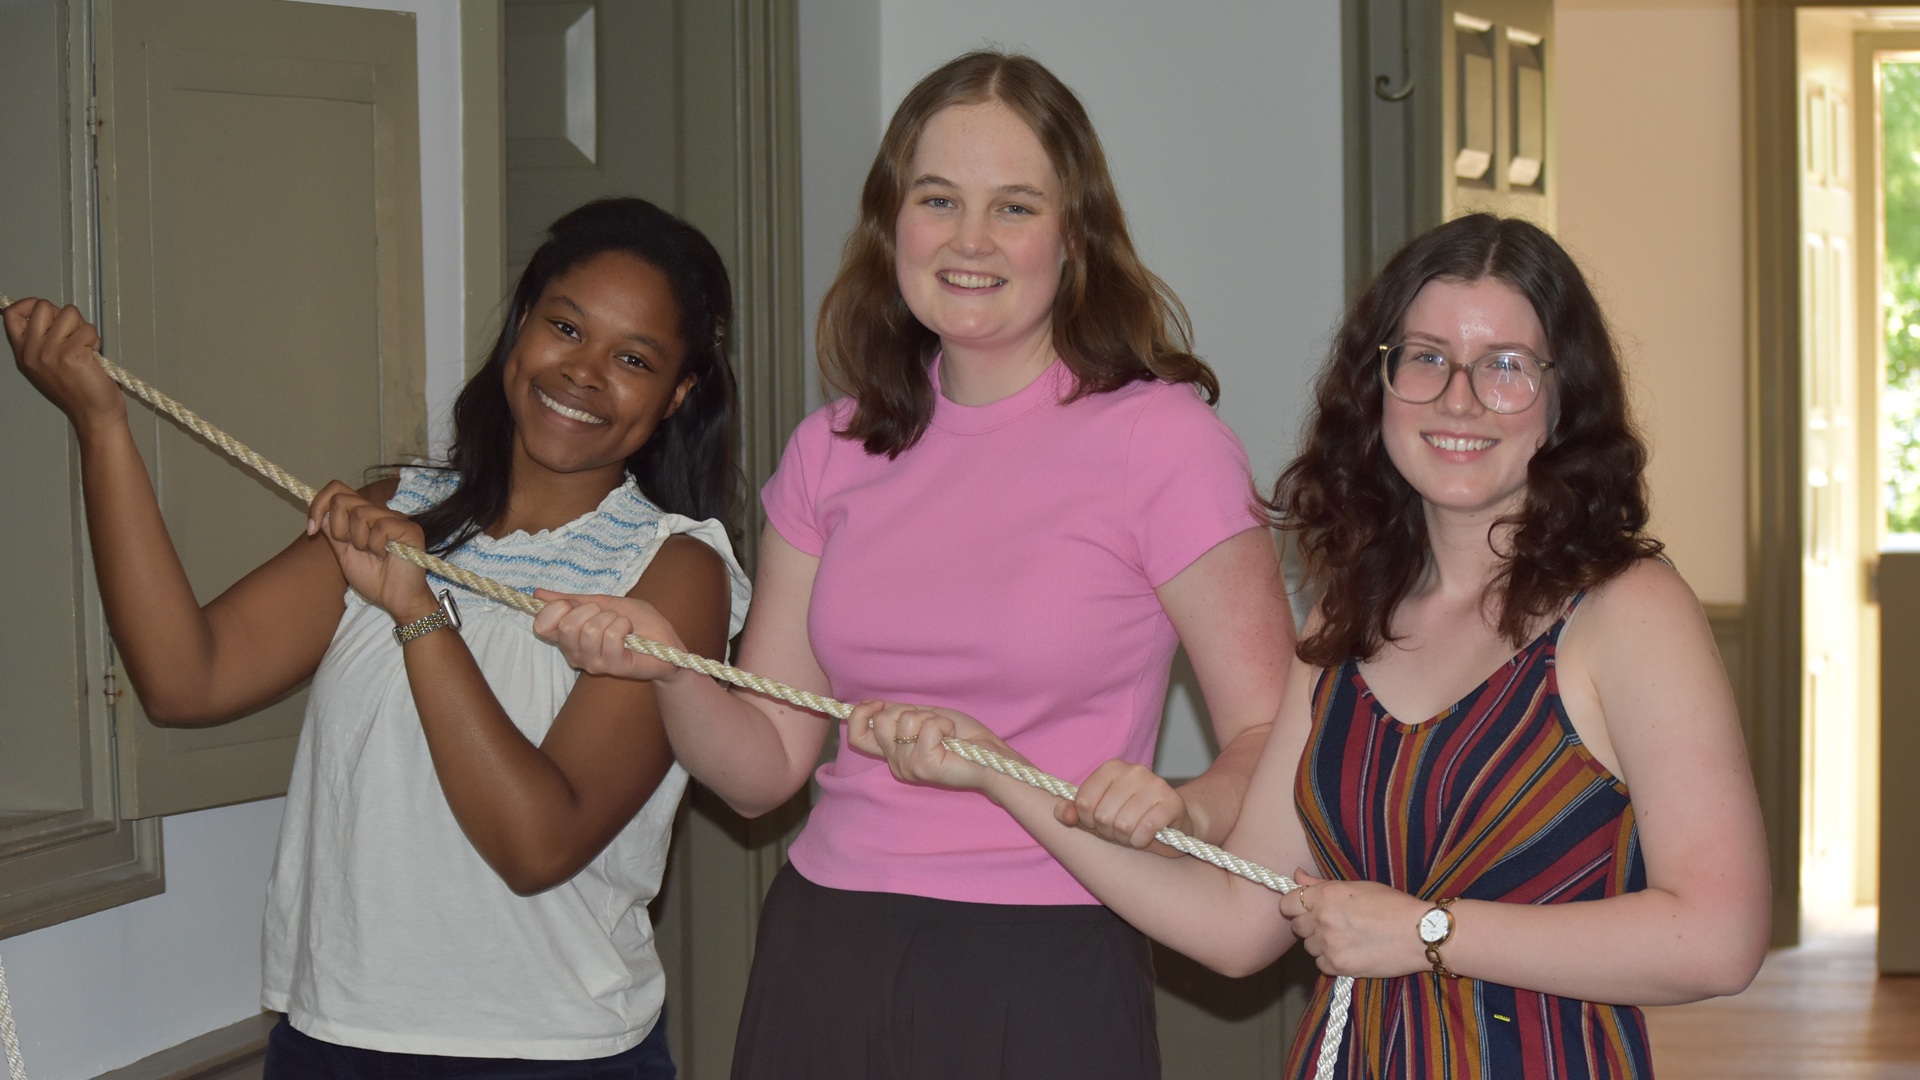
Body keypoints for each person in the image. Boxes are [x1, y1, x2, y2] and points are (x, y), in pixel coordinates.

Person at [854, 214, 1772, 1077]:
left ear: (1563, 396)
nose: (1460, 399)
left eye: (1505, 366)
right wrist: (998, 771)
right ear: (1378, 383)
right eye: (1425, 358)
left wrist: (1430, 935)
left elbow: (1718, 936)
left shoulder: (1629, 611)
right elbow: (1236, 921)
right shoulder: (1348, 620)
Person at [532, 51, 1293, 1079]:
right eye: (939, 200)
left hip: (1050, 953)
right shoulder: (832, 449)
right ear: (895, 222)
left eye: (1014, 207)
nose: (970, 241)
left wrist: (1186, 804)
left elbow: (1272, 732)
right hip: (829, 946)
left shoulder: (1164, 444)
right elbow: (763, 772)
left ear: (1074, 238)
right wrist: (675, 668)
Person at [3, 197, 751, 1079]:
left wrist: (417, 611)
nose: (584, 373)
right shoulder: (405, 508)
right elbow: (184, 678)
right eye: (565, 327)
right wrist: (100, 425)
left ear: (678, 395)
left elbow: (537, 843)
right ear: (521, 327)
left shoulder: (674, 570)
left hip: (548, 1052)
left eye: (633, 359)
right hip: (334, 1040)